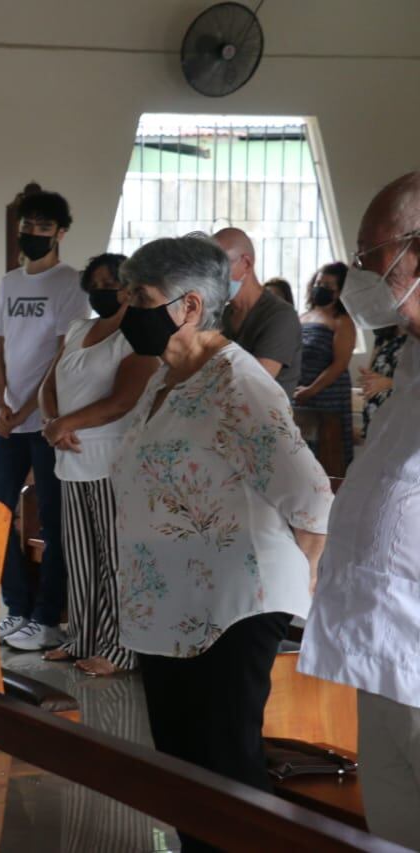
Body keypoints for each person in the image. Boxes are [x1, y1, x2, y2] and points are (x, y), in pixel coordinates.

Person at [110, 235, 331, 853]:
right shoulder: (168, 378)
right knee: (183, 769)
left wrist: (299, 578)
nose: (127, 310)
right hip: (172, 604)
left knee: (226, 770)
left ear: (188, 306)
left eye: (140, 297)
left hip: (232, 607)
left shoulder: (239, 383)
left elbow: (312, 494)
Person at [299, 172, 420, 850]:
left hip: (415, 646)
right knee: (392, 830)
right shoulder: (410, 357)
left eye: (372, 253)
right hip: (385, 650)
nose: (360, 272)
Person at [39, 253, 158, 675]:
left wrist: (64, 424)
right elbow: (49, 384)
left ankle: (120, 648)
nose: (103, 291)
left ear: (131, 289)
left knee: (115, 560)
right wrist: (53, 423)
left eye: (113, 284)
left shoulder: (138, 335)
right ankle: (82, 639)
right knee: (81, 558)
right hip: (71, 458)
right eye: (96, 285)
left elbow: (123, 400)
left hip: (113, 461)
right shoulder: (79, 329)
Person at [0, 189, 90, 651]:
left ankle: (48, 618)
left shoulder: (70, 283)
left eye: (43, 227)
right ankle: (17, 608)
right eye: (27, 226)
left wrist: (27, 410)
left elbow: (61, 356)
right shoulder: (9, 282)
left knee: (53, 519)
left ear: (60, 233)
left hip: (47, 422)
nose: (32, 233)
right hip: (9, 422)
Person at [214, 227, 304, 396]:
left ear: (246, 264)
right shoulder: (222, 315)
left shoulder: (280, 316)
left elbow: (253, 384)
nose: (211, 276)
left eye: (218, 267)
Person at [295, 262, 355, 466]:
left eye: (328, 286)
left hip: (327, 398)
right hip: (300, 396)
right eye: (318, 283)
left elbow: (340, 364)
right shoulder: (303, 317)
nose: (320, 288)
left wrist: (311, 390)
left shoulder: (342, 321)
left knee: (328, 458)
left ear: (340, 292)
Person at [361, 325, 406, 439]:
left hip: (402, 410)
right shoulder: (383, 333)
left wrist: (388, 383)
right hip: (376, 408)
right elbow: (372, 370)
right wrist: (369, 379)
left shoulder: (415, 336)